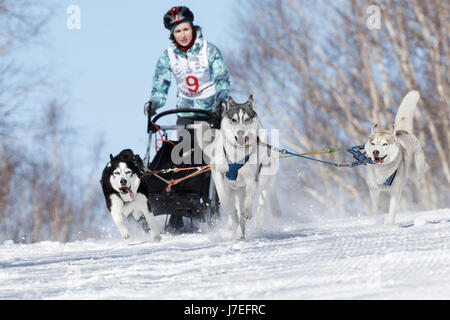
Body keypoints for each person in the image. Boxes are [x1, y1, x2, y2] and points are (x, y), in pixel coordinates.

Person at [144, 6, 230, 232]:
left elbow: (222, 79)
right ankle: (176, 212)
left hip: (210, 113)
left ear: (192, 27)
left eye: (185, 29)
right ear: (172, 34)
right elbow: (160, 85)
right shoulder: (168, 57)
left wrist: (222, 100)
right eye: (177, 31)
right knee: (180, 159)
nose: (182, 35)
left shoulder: (209, 51)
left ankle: (214, 207)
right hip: (184, 114)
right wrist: (154, 103)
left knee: (207, 160)